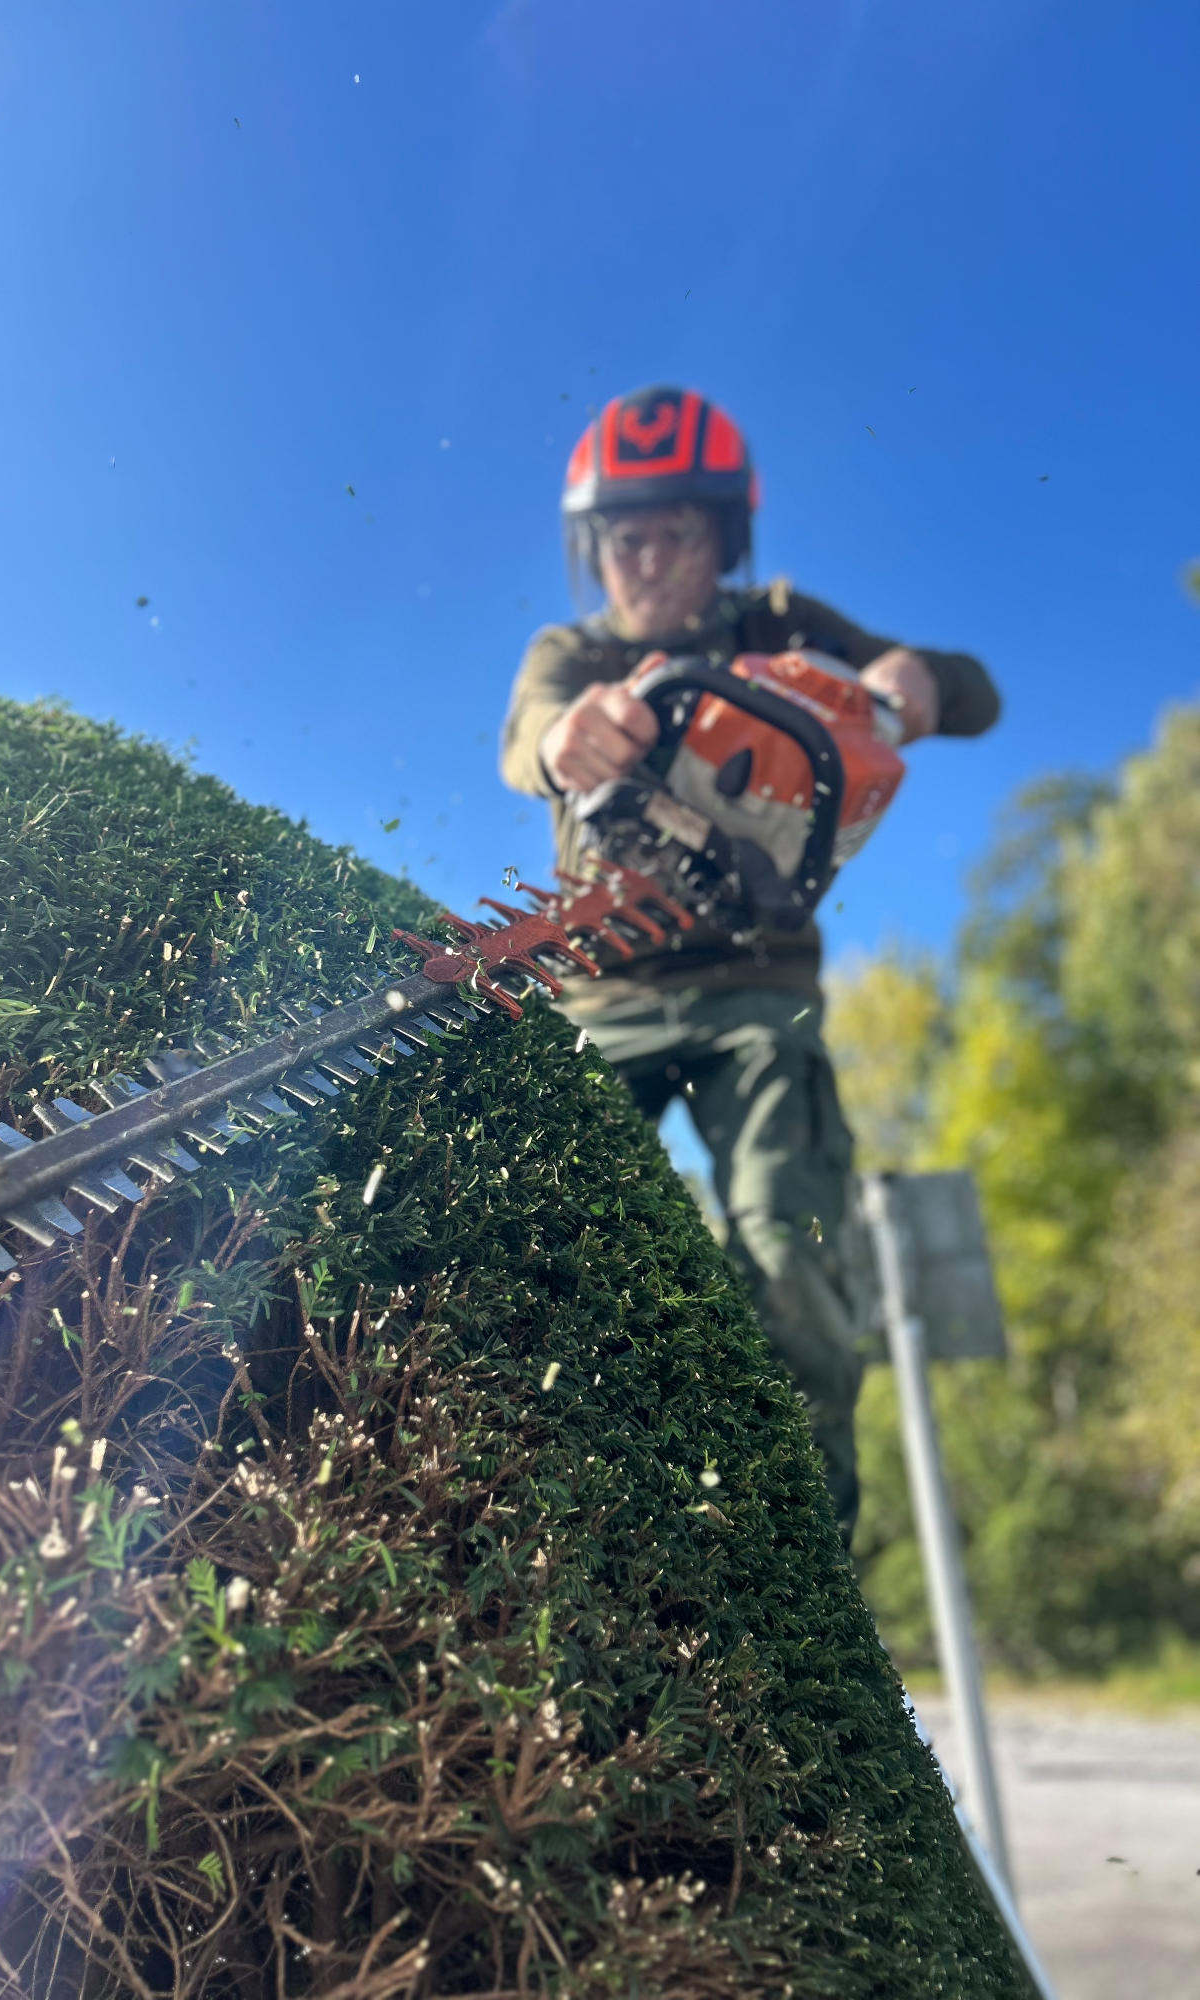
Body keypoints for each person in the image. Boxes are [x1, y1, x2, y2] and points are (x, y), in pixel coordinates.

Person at [500, 384, 1000, 1539]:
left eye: (674, 532)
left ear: (723, 538)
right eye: (624, 537)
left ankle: (803, 1556)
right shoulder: (575, 653)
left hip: (758, 990)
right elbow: (529, 736)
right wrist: (567, 738)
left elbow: (972, 690)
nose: (647, 559)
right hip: (604, 986)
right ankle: (565, 1512)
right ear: (593, 548)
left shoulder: (782, 627)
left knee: (788, 1248)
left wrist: (912, 682)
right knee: (552, 1235)